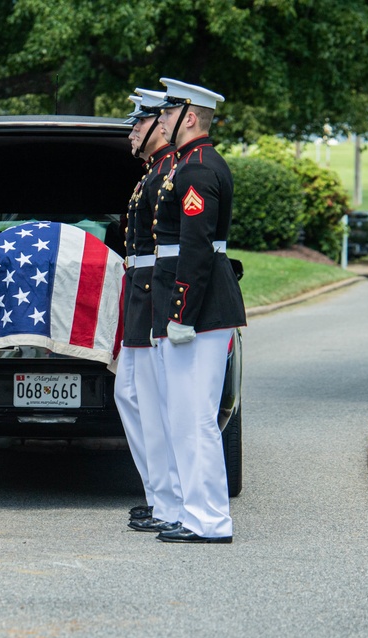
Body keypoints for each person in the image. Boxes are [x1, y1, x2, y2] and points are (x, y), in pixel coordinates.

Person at [150, 78, 246, 543]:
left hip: (200, 311)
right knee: (186, 418)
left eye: (168, 114)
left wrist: (181, 314)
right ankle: (197, 514)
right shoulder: (192, 164)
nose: (161, 121)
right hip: (198, 308)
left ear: (189, 117)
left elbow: (196, 248)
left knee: (196, 419)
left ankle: (210, 520)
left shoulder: (198, 169)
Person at [115, 88, 183, 534]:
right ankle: (159, 495)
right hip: (141, 293)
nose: (133, 132)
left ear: (161, 126)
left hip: (153, 294)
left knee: (156, 405)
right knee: (132, 396)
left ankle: (168, 501)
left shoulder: (168, 173)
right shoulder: (152, 175)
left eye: (140, 124)